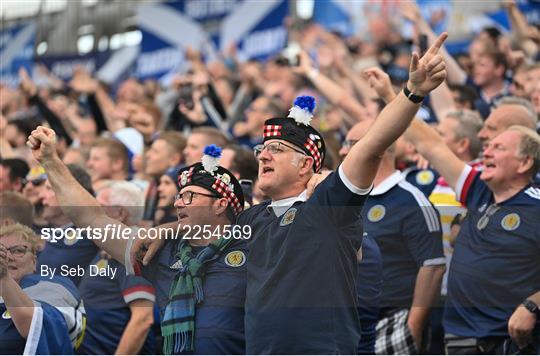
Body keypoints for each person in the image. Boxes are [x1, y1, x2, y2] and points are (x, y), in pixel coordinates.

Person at [236, 33, 448, 353]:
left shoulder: (328, 205)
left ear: (306, 164)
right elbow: (201, 228)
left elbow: (371, 147)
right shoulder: (251, 217)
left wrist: (412, 92)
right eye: (261, 150)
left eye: (276, 149)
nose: (263, 156)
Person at [26, 127, 248, 354]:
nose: (179, 203)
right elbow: (90, 218)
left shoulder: (254, 248)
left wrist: (168, 228)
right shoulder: (159, 251)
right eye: (179, 196)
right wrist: (51, 161)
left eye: (190, 196)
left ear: (220, 205)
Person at [405, 116, 540, 354]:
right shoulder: (479, 189)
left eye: (498, 148)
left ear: (525, 162)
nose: (486, 153)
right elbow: (431, 145)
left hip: (510, 344)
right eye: (488, 147)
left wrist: (533, 305)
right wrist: (397, 95)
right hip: (460, 340)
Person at [341, 121, 445, 354]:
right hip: (345, 322)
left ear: (376, 148)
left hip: (390, 322)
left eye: (350, 144)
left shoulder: (411, 200)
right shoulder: (346, 197)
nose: (342, 151)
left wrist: (413, 327)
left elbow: (433, 266)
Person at [77, 180, 156, 355]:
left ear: (120, 213)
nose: (92, 215)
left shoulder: (133, 252)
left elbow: (143, 319)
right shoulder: (108, 248)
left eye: (99, 208)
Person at [0, 223, 85, 354]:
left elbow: (37, 327)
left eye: (18, 251)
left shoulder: (53, 285)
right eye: (2, 252)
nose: (8, 258)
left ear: (34, 261)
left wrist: (3, 277)